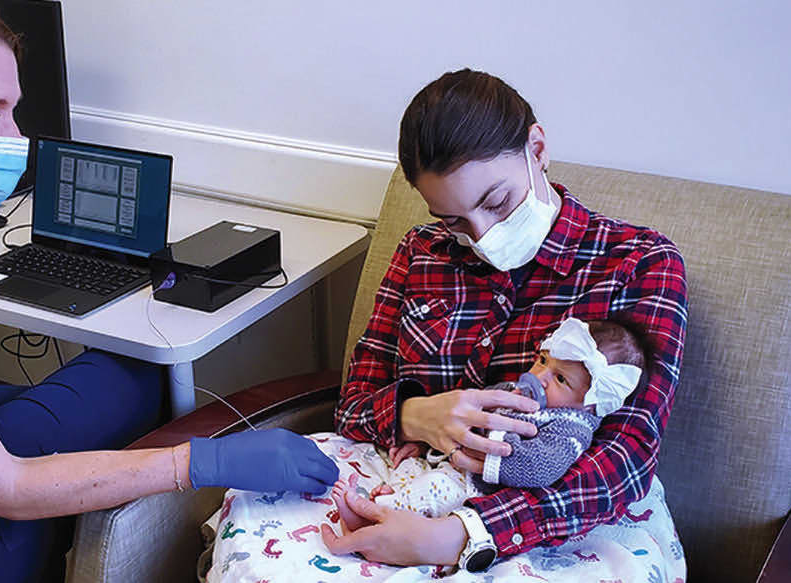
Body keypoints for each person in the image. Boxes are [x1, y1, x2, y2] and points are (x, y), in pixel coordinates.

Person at [0, 2, 337, 581]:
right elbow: (8, 487)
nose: (16, 140)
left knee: (136, 374)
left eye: (13, 111)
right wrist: (199, 462)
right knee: (115, 421)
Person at [203, 69, 687, 581]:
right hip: (411, 475)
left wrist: (457, 535)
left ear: (537, 149)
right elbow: (355, 403)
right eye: (452, 220)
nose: (482, 234)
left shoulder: (639, 264)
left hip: (555, 513)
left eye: (496, 202)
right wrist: (416, 415)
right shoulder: (419, 253)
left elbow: (627, 458)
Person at [332, 317, 646, 525]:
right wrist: (429, 440)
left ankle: (376, 515)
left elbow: (541, 466)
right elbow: (466, 414)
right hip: (450, 462)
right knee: (412, 465)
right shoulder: (513, 391)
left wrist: (492, 441)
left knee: (435, 488)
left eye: (561, 379)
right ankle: (389, 494)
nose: (540, 376)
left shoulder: (571, 428)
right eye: (542, 360)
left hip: (479, 488)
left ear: (592, 403)